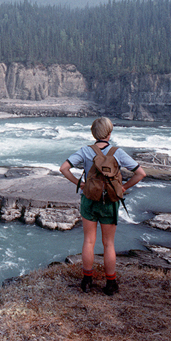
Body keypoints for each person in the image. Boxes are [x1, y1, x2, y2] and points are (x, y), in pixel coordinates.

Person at [59, 117, 146, 295]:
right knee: (109, 244)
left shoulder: (85, 151)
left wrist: (80, 183)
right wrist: (123, 187)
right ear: (109, 133)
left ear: (93, 133)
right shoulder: (118, 152)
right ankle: (111, 283)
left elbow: (63, 168)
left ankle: (87, 280)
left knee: (89, 241)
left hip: (89, 200)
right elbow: (140, 173)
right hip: (109, 202)